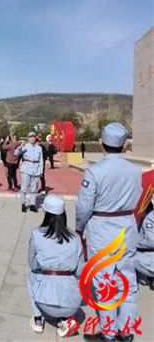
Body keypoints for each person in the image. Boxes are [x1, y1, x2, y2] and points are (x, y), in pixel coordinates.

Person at [76, 122, 142, 342]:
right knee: (128, 281)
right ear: (124, 145)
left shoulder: (95, 172)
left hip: (102, 228)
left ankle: (109, 332)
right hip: (127, 227)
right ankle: (127, 331)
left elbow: (84, 206)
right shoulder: (135, 170)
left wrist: (80, 226)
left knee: (105, 282)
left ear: (101, 143)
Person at [27, 195, 83, 337]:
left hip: (45, 302)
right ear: (64, 214)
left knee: (31, 275)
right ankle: (66, 320)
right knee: (72, 280)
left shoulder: (37, 234)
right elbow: (80, 271)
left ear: (46, 213)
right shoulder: (75, 238)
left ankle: (38, 319)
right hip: (72, 304)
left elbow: (32, 263)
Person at [16, 132, 44, 213]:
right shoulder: (25, 146)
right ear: (28, 138)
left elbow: (41, 160)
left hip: (35, 169)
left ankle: (32, 205)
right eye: (30, 137)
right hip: (26, 169)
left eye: (33, 137)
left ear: (35, 138)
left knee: (34, 188)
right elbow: (16, 153)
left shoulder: (39, 148)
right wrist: (20, 147)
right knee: (24, 188)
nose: (32, 138)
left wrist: (41, 171)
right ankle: (23, 204)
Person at [135, 203, 154, 291]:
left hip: (149, 257)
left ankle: (132, 283)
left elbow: (152, 241)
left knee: (126, 256)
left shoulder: (148, 218)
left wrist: (134, 242)